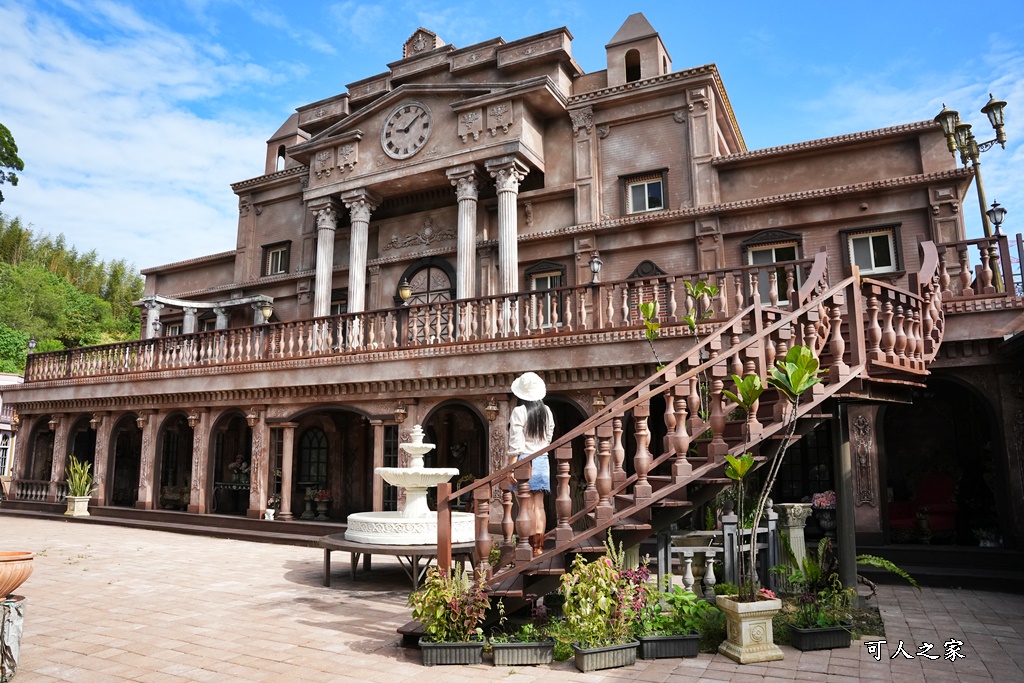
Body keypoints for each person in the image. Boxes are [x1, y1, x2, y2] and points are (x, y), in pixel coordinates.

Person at [508, 371, 555, 557]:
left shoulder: (519, 411)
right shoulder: (547, 412)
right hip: (542, 459)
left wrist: (511, 466)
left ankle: (525, 545)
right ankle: (538, 547)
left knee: (524, 506)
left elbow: (515, 443)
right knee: (539, 506)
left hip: (524, 461)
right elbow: (549, 437)